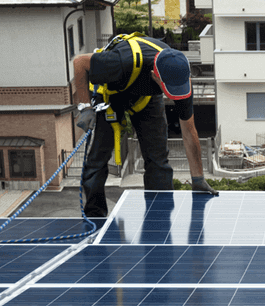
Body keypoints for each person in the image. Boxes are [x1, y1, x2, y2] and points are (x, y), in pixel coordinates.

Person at [73, 33, 218, 217]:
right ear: (155, 76)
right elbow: (80, 63)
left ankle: (159, 216)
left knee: (158, 159)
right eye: (169, 91)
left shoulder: (179, 75)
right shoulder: (120, 61)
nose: (172, 96)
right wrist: (85, 107)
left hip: (146, 97)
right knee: (98, 158)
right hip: (112, 92)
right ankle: (95, 216)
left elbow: (189, 129)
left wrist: (198, 178)